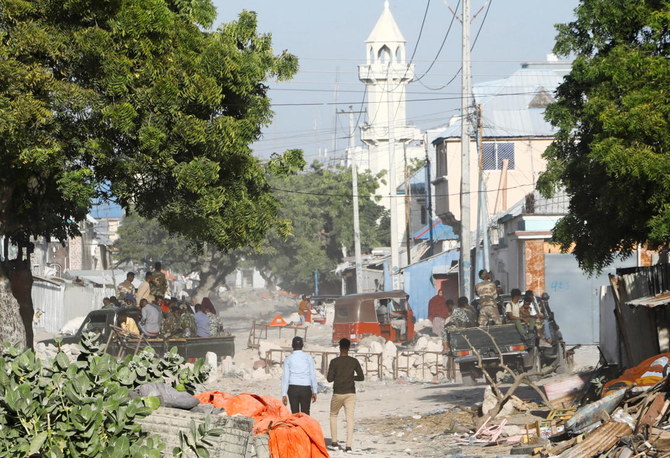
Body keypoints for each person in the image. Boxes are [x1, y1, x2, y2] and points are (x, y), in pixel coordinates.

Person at [327, 338, 364, 453]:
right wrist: (351, 377)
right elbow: (361, 377)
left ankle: (334, 442)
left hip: (338, 393)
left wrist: (338, 376)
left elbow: (329, 379)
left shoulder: (334, 362)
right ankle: (348, 446)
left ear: (339, 347)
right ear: (349, 347)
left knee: (333, 415)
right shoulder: (354, 361)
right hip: (350, 393)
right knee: (350, 419)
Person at [281, 336, 318, 415]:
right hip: (305, 388)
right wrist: (314, 391)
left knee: (295, 414)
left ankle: (296, 427)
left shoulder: (288, 359)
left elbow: (285, 377)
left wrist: (284, 394)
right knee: (305, 414)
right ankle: (305, 427)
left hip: (293, 388)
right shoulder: (308, 357)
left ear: (292, 346)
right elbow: (312, 375)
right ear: (302, 345)